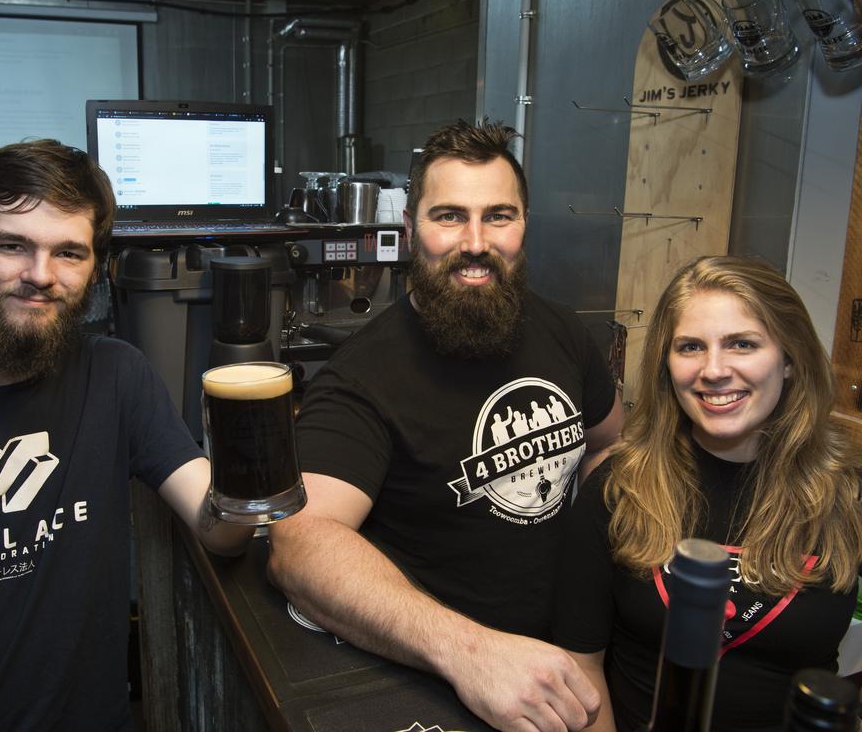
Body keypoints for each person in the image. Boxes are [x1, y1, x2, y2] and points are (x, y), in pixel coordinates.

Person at [0, 139, 253, 732]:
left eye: (69, 253)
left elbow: (220, 529)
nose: (41, 276)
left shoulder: (116, 376)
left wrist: (258, 461)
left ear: (95, 269)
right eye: (13, 245)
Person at [267, 120, 624, 732]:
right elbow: (300, 542)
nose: (476, 241)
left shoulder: (563, 331)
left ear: (524, 226)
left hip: (569, 658)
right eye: (450, 216)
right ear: (410, 231)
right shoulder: (364, 376)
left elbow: (612, 445)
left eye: (499, 216)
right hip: (438, 680)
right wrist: (471, 653)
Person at [552, 256, 862, 732]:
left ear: (790, 358)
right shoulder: (619, 488)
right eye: (691, 347)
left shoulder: (846, 493)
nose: (713, 370)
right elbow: (581, 666)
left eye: (742, 343)